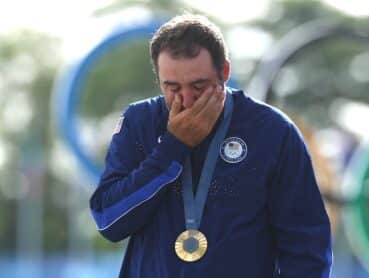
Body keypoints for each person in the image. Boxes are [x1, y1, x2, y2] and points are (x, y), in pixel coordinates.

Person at [89, 14, 332, 277]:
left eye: (198, 86)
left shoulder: (272, 131)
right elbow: (109, 221)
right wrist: (173, 147)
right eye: (172, 87)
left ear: (225, 72)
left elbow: (307, 248)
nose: (186, 99)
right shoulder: (140, 122)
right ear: (158, 79)